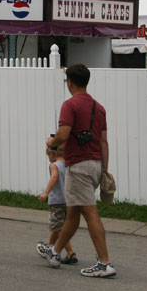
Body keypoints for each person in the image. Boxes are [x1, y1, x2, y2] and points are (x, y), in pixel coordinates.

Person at [42, 63, 115, 278]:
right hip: (94, 164)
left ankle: (104, 263)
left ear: (70, 82)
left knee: (89, 212)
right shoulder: (98, 108)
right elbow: (103, 141)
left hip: (78, 165)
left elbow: (63, 135)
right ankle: (55, 252)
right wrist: (103, 169)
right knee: (73, 212)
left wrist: (51, 142)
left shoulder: (70, 105)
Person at [35, 144, 77, 264]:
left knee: (59, 228)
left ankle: (71, 254)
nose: (49, 158)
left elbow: (54, 178)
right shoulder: (68, 165)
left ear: (53, 154)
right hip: (68, 201)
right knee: (58, 225)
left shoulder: (54, 165)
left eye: (48, 155)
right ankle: (48, 247)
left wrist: (46, 192)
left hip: (57, 202)